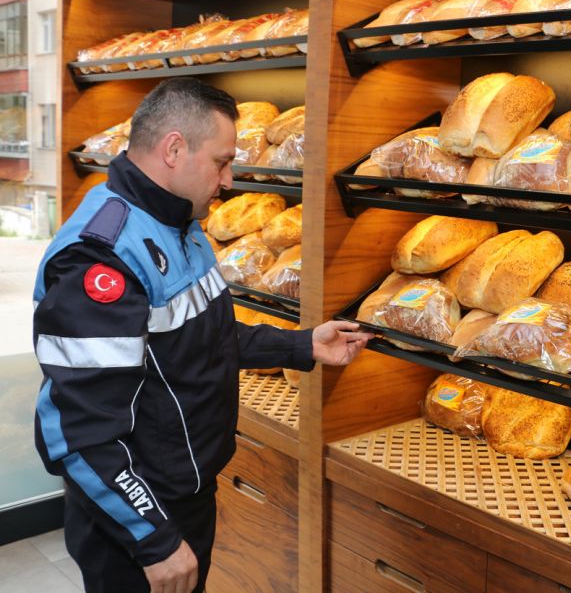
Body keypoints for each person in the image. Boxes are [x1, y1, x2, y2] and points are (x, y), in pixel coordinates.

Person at [32, 78, 373, 593]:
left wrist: (301, 345)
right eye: (221, 161)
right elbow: (81, 433)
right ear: (174, 149)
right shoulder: (100, 257)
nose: (229, 178)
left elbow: (202, 340)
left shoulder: (177, 223)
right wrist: (154, 539)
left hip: (185, 491)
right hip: (136, 516)